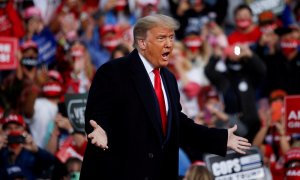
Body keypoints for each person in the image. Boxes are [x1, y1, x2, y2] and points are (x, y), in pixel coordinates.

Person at [80, 14, 251, 180]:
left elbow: (178, 125)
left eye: (171, 38)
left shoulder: (168, 78)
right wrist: (100, 130)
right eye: (162, 38)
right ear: (142, 43)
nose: (169, 44)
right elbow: (97, 114)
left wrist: (219, 138)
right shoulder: (113, 72)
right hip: (120, 172)